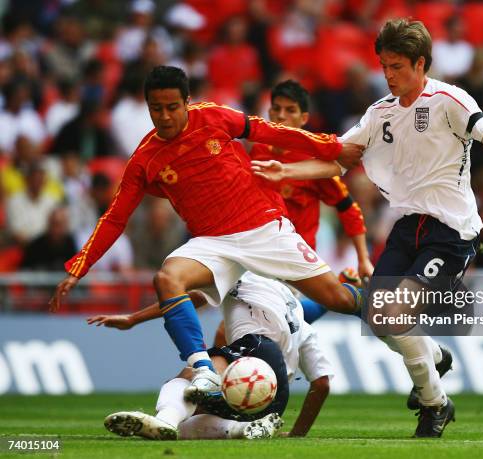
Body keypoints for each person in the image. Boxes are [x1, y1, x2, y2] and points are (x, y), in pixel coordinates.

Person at [252, 19, 483, 438]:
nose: (388, 74)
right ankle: (435, 356)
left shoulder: (450, 99)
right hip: (408, 226)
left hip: (452, 232)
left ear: (420, 63)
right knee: (378, 316)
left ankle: (435, 405)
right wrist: (283, 169)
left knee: (395, 312)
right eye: (384, 65)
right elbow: (338, 160)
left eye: (396, 66)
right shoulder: (380, 113)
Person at [49, 66, 363, 408]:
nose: (165, 116)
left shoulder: (213, 116)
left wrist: (332, 146)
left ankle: (375, 299)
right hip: (213, 243)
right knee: (168, 278)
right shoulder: (144, 159)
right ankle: (202, 369)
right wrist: (79, 267)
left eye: (172, 107)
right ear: (148, 107)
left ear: (186, 102)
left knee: (339, 300)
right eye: (157, 108)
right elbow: (115, 217)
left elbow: (267, 131)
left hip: (263, 227)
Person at [88, 271, 332, 440]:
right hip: (274, 400)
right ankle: (241, 429)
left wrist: (133, 319)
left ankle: (165, 418)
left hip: (257, 352)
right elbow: (321, 384)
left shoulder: (244, 274)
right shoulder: (300, 316)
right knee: (194, 419)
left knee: (193, 375)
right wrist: (297, 434)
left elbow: (186, 299)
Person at [251, 79, 373, 278]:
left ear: (304, 118)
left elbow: (347, 207)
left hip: (298, 262)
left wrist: (363, 259)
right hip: (261, 254)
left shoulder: (314, 162)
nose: (281, 116)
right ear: (269, 112)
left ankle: (350, 293)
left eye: (290, 110)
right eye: (276, 108)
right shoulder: (258, 151)